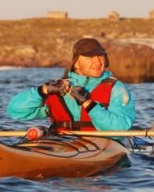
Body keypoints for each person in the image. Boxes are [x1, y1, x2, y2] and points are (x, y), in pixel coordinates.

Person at [7, 38, 136, 132]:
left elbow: (120, 127)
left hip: (102, 146)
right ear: (76, 64)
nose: (97, 61)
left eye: (100, 56)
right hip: (62, 144)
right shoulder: (60, 87)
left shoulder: (116, 88)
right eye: (89, 57)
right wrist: (42, 91)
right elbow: (15, 111)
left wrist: (88, 103)